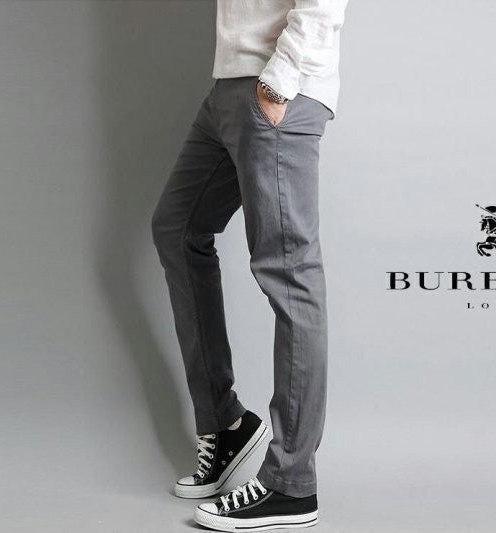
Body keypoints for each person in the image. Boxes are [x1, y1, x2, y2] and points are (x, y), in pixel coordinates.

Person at [150, 1, 348, 530]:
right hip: (230, 85)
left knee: (290, 275)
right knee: (177, 230)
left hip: (278, 86)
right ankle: (227, 425)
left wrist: (279, 81)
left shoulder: (278, 85)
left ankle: (291, 483)